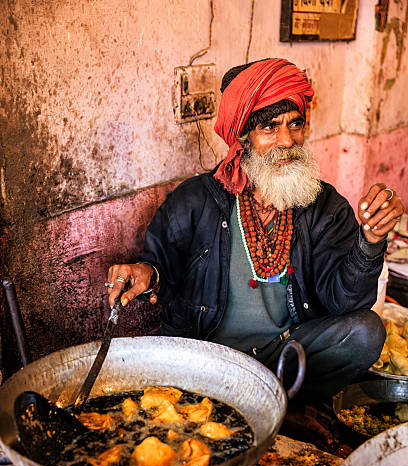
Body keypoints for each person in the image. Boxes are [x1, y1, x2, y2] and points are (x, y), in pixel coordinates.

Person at [106, 58, 404, 404]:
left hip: (283, 357)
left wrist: (370, 242)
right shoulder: (195, 200)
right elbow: (160, 268)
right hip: (208, 360)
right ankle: (268, 405)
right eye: (269, 128)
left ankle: (279, 403)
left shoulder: (324, 205)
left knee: (367, 331)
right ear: (242, 137)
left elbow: (345, 301)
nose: (287, 140)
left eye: (295, 124)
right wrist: (145, 273)